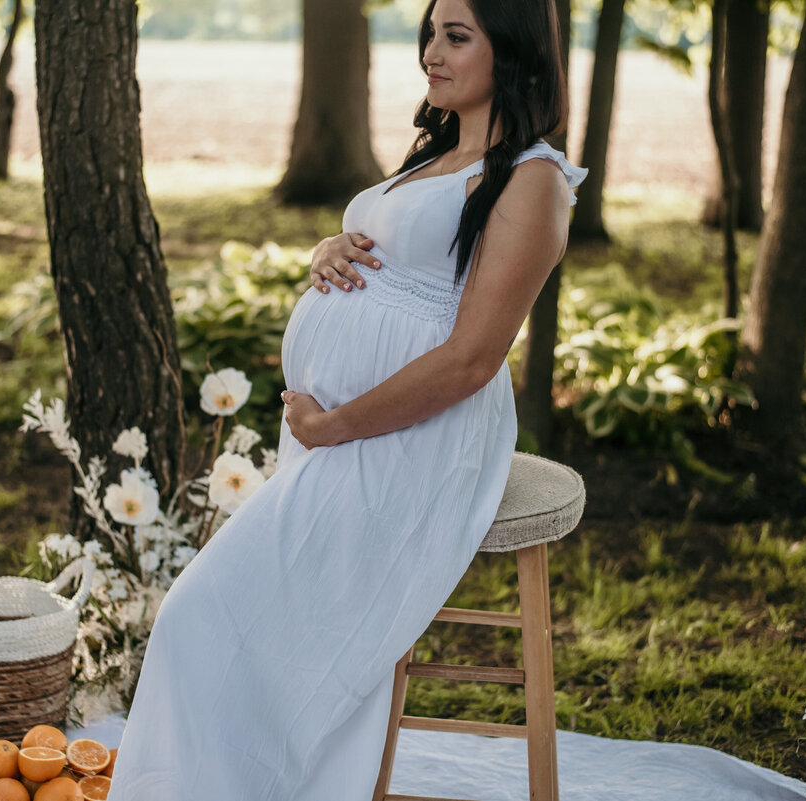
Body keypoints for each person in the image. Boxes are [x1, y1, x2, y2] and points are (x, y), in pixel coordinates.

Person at [107, 0, 586, 797]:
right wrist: (332, 248)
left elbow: (469, 359)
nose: (431, 53)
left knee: (198, 615)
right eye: (430, 32)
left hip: (417, 436)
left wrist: (335, 424)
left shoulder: (533, 179)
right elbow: (406, 258)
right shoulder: (439, 150)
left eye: (456, 37)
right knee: (228, 620)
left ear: (513, 51)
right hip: (340, 435)